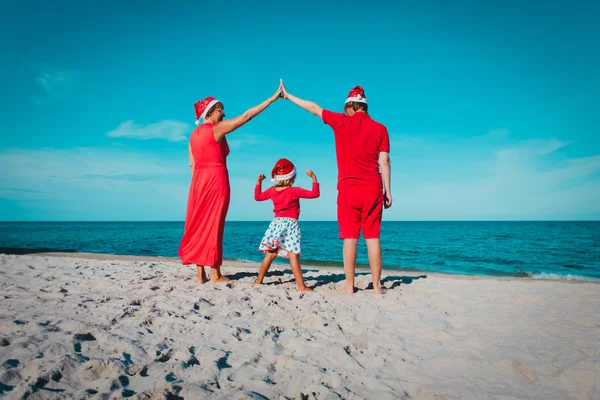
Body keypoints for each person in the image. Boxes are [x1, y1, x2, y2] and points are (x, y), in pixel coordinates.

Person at [280, 83, 392, 294]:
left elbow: (313, 108)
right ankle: (377, 287)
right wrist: (388, 190)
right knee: (373, 238)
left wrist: (288, 96)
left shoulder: (341, 122)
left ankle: (349, 286)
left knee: (350, 238)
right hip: (373, 189)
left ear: (350, 106)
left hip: (349, 190)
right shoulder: (381, 129)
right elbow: (384, 162)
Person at [179, 80, 283, 284]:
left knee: (198, 224)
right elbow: (245, 117)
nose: (223, 114)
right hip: (215, 181)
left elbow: (191, 165)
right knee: (214, 225)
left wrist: (199, 185)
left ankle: (200, 275)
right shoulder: (215, 130)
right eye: (220, 111)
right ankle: (215, 274)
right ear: (210, 112)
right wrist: (271, 99)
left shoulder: (193, 135)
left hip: (198, 183)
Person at [254, 158, 320, 292]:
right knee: (293, 255)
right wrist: (314, 178)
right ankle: (301, 286)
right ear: (292, 177)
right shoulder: (295, 191)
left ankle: (258, 281)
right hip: (290, 224)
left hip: (276, 224)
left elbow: (258, 197)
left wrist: (259, 182)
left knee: (270, 254)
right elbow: (315, 194)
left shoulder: (272, 190)